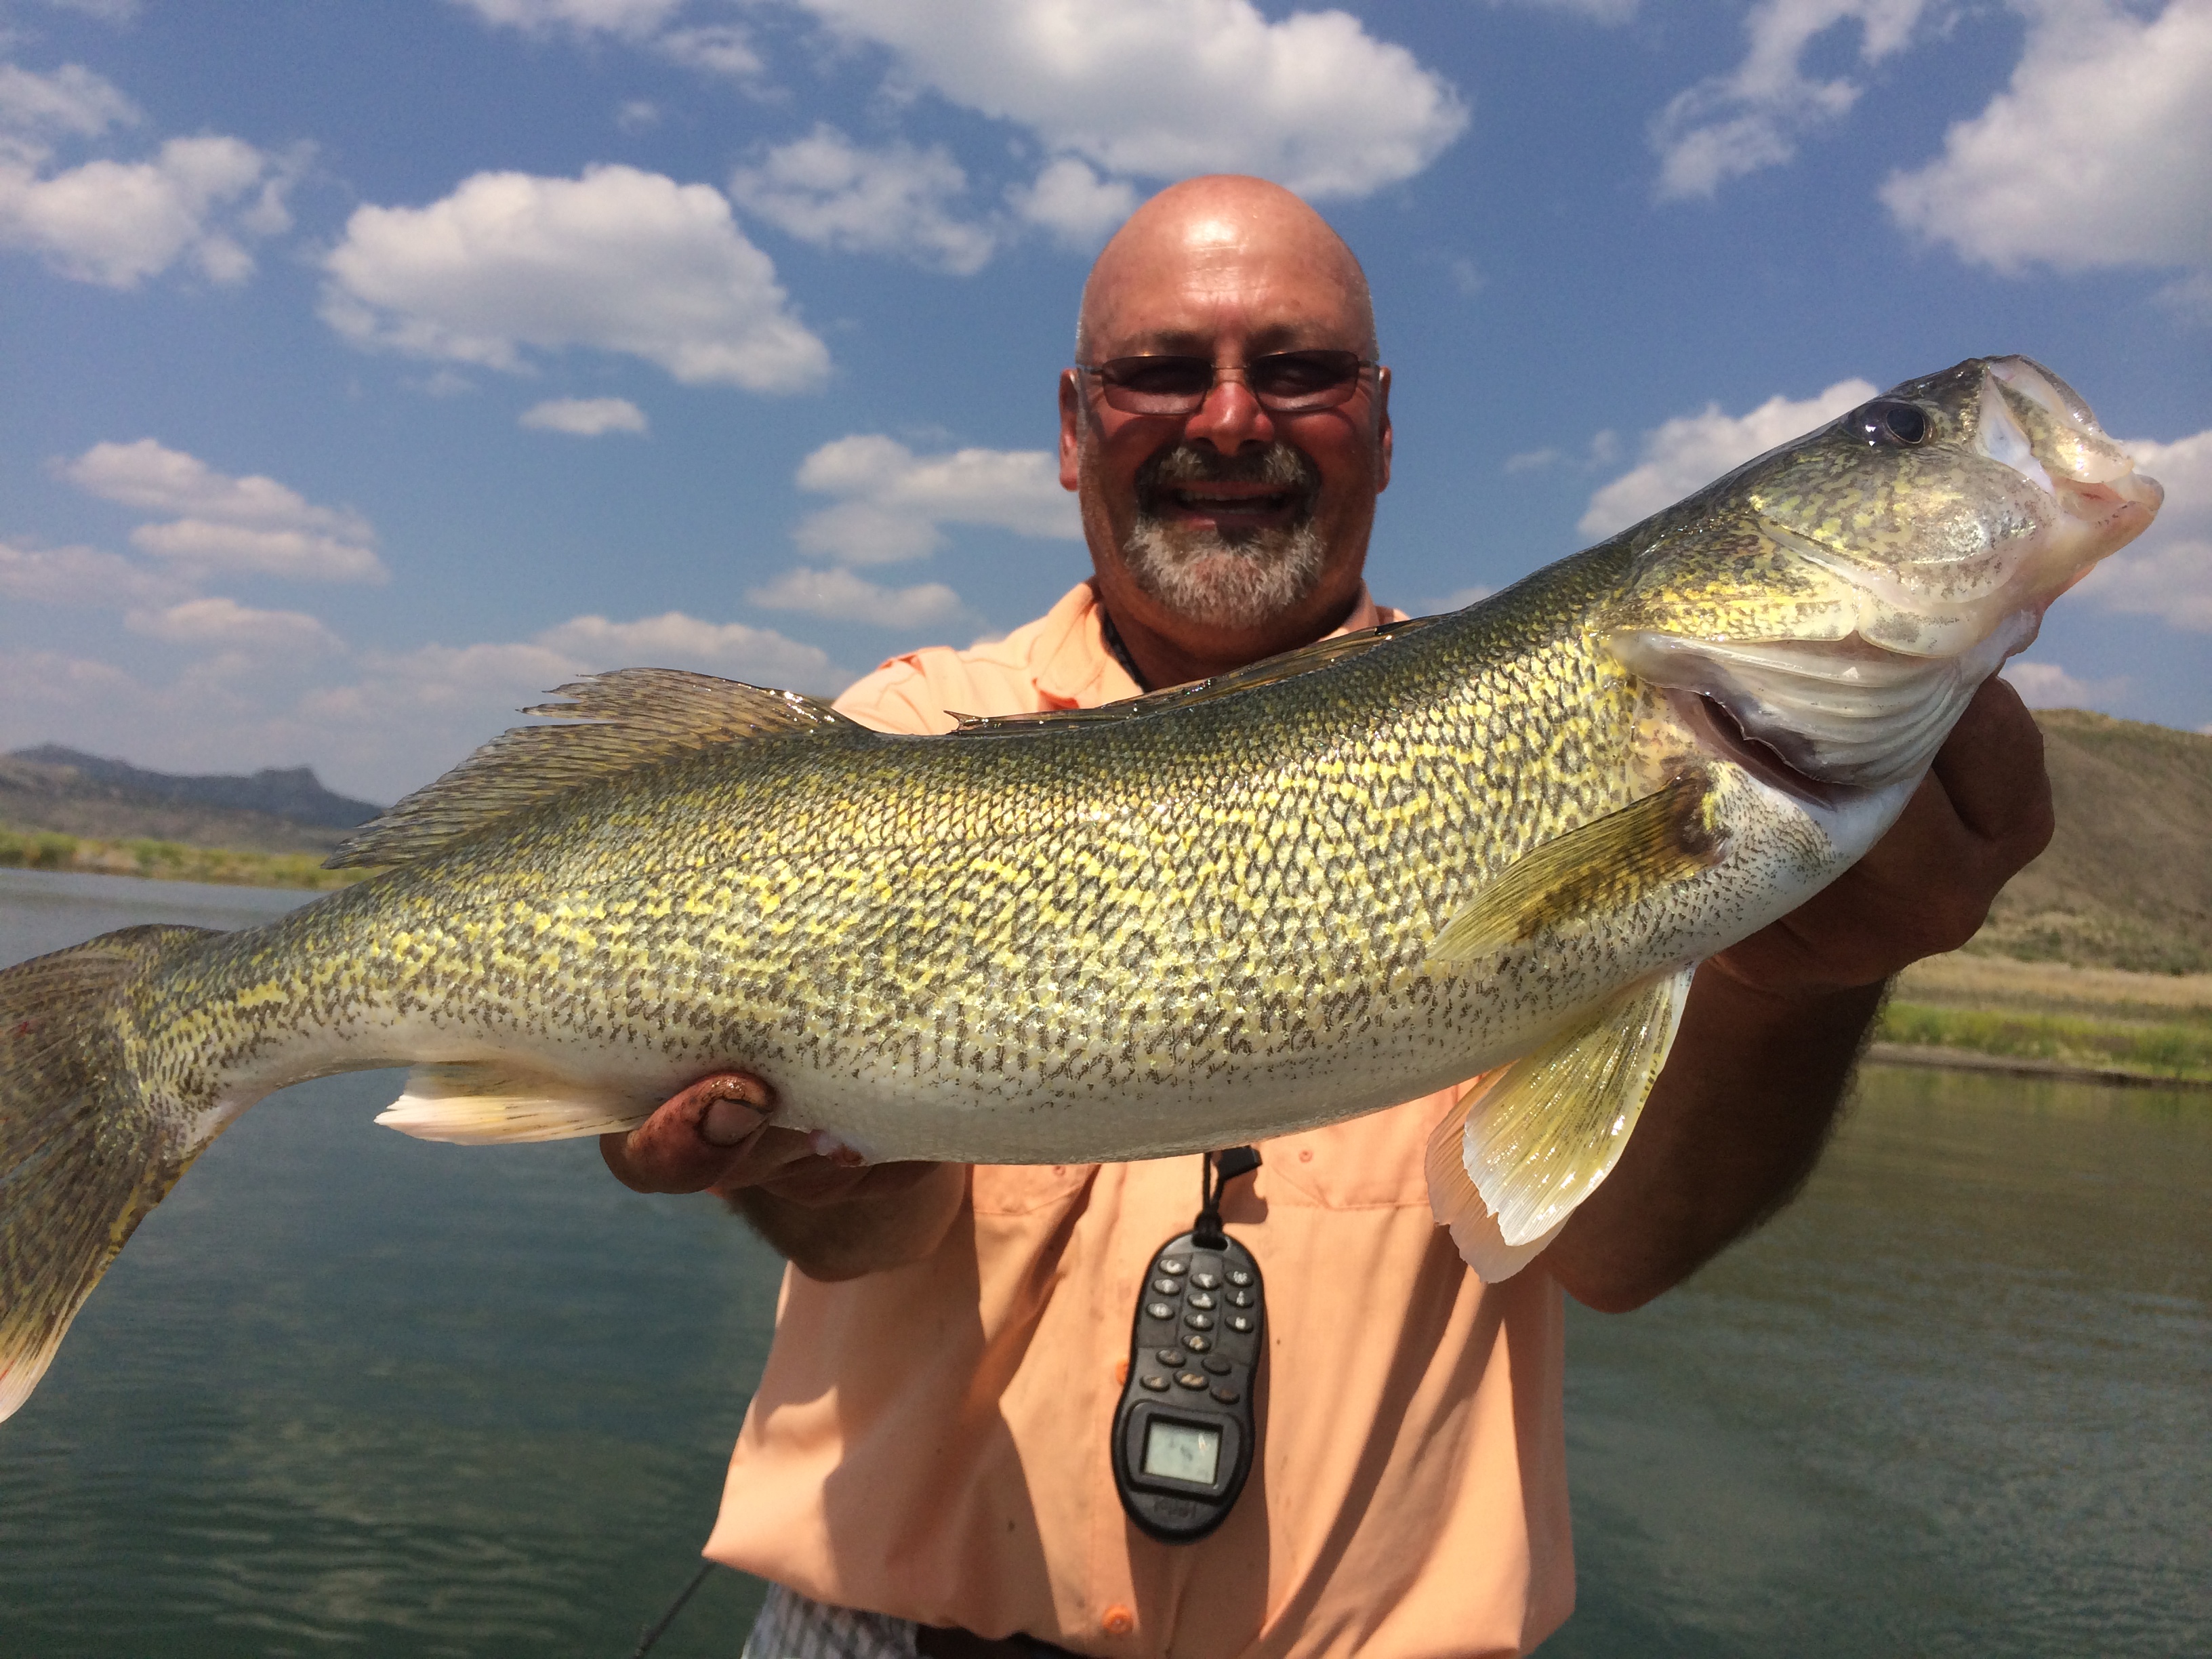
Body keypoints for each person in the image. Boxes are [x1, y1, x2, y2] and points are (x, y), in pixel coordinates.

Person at [603, 176, 2053, 1658]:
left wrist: (1807, 977)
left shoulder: (1554, 730)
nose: (1230, 420)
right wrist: (789, 1167)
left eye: (1297, 371)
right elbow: (863, 1241)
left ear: (1382, 420)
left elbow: (1614, 1253)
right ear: (1069, 426)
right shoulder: (903, 742)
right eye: (1163, 371)